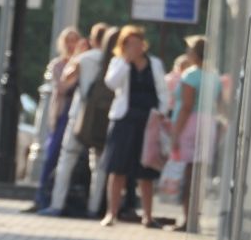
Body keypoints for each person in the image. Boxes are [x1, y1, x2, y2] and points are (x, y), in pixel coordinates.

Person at [100, 25, 168, 229]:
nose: (135, 47)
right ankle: (111, 213)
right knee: (117, 168)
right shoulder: (119, 62)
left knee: (145, 170)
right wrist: (126, 61)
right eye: (130, 44)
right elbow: (111, 83)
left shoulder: (154, 64)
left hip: (148, 121)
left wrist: (162, 111)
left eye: (138, 43)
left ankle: (147, 215)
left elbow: (163, 91)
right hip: (124, 119)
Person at [48, 23, 113, 217]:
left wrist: (76, 56)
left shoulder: (84, 59)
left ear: (93, 40)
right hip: (104, 118)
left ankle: (56, 204)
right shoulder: (116, 60)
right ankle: (94, 208)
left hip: (80, 115)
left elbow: (66, 81)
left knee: (67, 159)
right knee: (99, 165)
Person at [27, 27, 83, 212]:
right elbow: (61, 88)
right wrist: (74, 75)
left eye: (74, 40)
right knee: (51, 155)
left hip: (78, 114)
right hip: (62, 113)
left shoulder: (82, 63)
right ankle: (41, 197)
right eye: (68, 40)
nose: (71, 44)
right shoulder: (58, 65)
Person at [169, 35, 207, 232]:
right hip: (207, 126)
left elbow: (186, 106)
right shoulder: (213, 75)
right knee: (198, 174)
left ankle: (187, 219)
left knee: (188, 174)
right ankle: (195, 217)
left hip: (190, 125)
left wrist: (175, 134)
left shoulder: (191, 76)